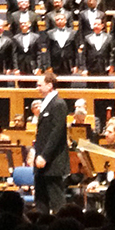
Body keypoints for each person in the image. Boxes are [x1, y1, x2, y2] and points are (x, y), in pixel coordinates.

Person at [31, 70, 69, 215]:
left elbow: (56, 133)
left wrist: (45, 156)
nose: (37, 88)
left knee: (57, 202)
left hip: (51, 162)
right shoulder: (46, 104)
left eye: (40, 85)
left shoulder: (58, 104)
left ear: (49, 85)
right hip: (41, 163)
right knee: (41, 202)